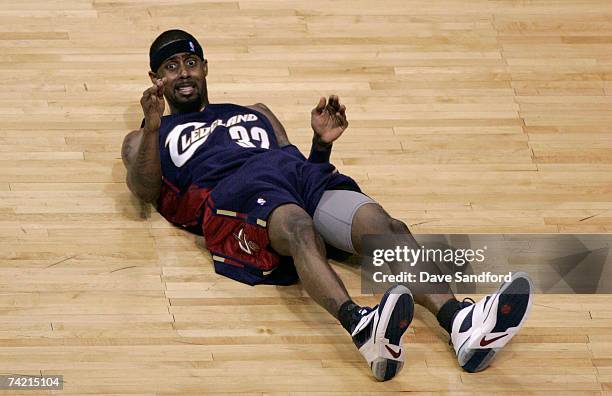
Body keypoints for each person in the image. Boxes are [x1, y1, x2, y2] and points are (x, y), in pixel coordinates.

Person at [121, 29, 534, 381]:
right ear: (155, 78)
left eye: (190, 62)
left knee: (383, 224)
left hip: (294, 175)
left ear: (205, 67)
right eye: (170, 67)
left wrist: (320, 143)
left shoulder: (255, 112)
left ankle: (459, 322)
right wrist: (154, 125)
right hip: (235, 193)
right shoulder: (145, 136)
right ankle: (361, 325)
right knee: (298, 226)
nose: (183, 73)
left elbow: (301, 166)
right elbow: (144, 189)